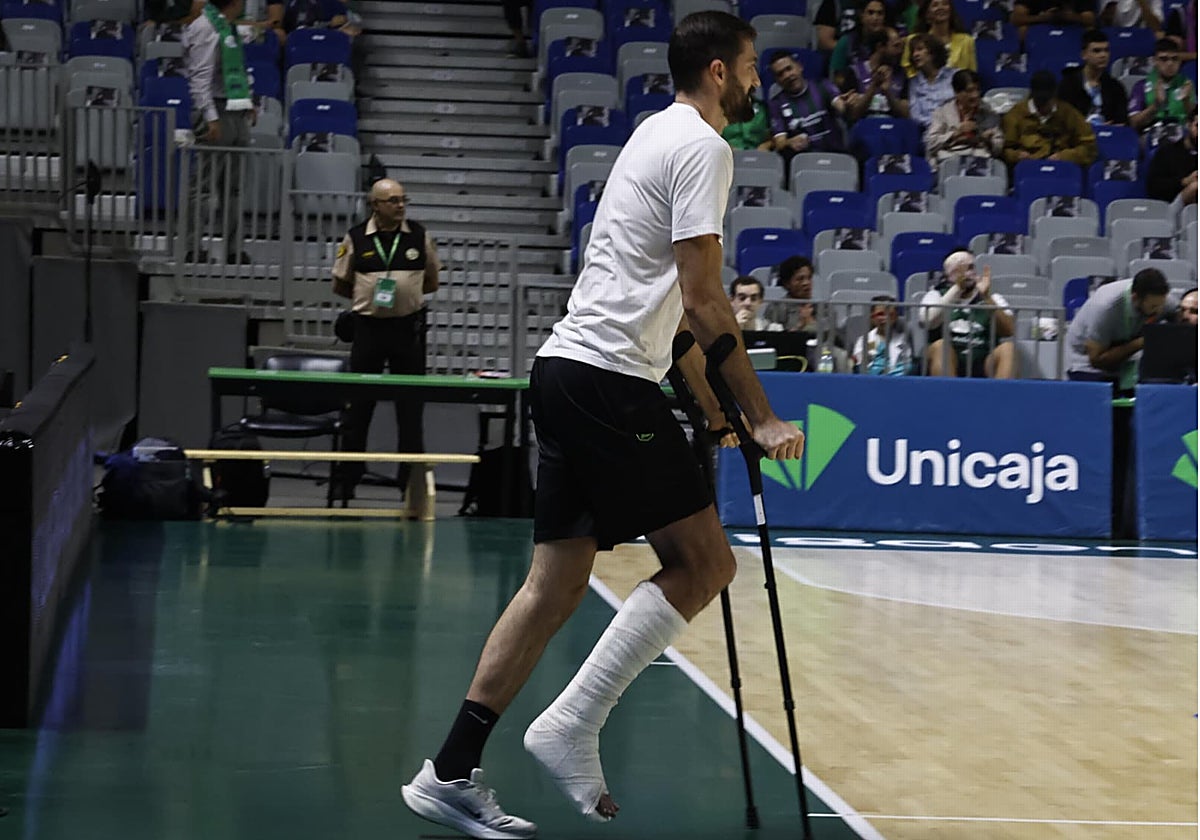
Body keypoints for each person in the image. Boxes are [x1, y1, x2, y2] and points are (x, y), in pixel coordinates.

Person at [399, 11, 805, 839]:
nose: (761, 80)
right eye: (754, 66)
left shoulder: (653, 134)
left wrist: (711, 405)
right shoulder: (705, 148)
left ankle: (447, 770)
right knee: (704, 563)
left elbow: (670, 314)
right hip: (608, 382)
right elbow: (701, 297)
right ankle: (573, 722)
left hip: (568, 372)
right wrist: (759, 416)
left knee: (554, 587)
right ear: (721, 72)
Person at [331, 179, 441, 501]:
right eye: (392, 201)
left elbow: (432, 280)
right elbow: (341, 282)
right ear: (374, 205)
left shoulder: (419, 236)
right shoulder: (355, 237)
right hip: (368, 331)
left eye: (403, 199)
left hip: (408, 331)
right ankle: (347, 481)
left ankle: (410, 485)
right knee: (358, 409)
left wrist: (404, 298)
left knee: (410, 410)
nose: (400, 205)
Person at [182, 0, 254, 263]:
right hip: (214, 109)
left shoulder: (228, 27)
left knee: (234, 187)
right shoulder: (204, 27)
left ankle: (234, 250)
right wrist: (210, 117)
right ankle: (193, 247)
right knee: (203, 186)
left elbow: (236, 69)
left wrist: (248, 100)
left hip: (235, 108)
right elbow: (199, 78)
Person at [1065, 267, 1175, 389]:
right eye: (1154, 306)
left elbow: (1180, 313)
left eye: (1162, 305)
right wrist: (1142, 342)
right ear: (1135, 298)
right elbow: (1096, 360)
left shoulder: (1161, 299)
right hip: (1086, 362)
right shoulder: (1106, 307)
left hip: (1127, 361)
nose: (1159, 310)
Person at [919, 249, 1018, 378]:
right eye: (960, 269)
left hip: (982, 360)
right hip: (946, 359)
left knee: (1008, 349)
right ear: (949, 275)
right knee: (940, 346)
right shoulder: (936, 295)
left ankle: (998, 397)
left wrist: (986, 298)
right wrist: (957, 288)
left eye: (970, 267)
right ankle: (946, 396)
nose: (967, 273)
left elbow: (1010, 330)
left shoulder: (992, 297)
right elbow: (927, 322)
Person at [765, 50, 852, 169]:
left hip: (834, 153)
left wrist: (847, 104)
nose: (787, 76)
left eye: (789, 69)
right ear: (777, 80)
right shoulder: (776, 104)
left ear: (799, 67)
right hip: (804, 161)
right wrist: (790, 142)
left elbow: (841, 107)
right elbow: (780, 143)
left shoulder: (823, 87)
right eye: (780, 74)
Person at [1001, 70, 1098, 166]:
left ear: (1054, 95)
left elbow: (1089, 147)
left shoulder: (1069, 113)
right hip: (1028, 167)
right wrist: (1016, 155)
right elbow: (1003, 149)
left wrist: (1065, 156)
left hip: (1061, 168)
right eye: (1039, 101)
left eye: (1046, 101)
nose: (1043, 106)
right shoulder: (1015, 114)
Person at [925, 69, 1002, 171]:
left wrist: (985, 140)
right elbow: (931, 144)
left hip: (980, 162)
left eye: (978, 90)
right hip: (949, 161)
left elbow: (998, 148)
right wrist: (955, 134)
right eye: (969, 91)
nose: (975, 95)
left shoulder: (989, 113)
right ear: (957, 93)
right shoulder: (942, 112)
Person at [1058, 30, 1131, 127]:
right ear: (1084, 55)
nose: (1103, 55)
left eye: (1106, 50)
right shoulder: (1068, 84)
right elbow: (1062, 120)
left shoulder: (1116, 87)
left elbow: (1122, 122)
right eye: (1097, 51)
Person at [1129, 39, 1197, 134]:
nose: (1170, 63)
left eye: (1174, 59)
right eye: (1164, 59)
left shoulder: (1187, 84)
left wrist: (1186, 102)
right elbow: (1133, 122)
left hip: (1181, 135)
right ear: (1154, 61)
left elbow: (1195, 123)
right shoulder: (1141, 86)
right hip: (1151, 134)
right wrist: (1156, 105)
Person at [845, 27, 910, 121]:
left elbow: (906, 115)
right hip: (865, 131)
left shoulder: (902, 74)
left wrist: (887, 92)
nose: (900, 52)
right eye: (896, 46)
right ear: (880, 47)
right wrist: (873, 87)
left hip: (894, 131)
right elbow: (852, 115)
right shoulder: (855, 72)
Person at [900, 0, 975, 78]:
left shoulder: (966, 41)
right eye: (935, 5)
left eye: (945, 4)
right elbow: (908, 72)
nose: (941, 8)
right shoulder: (912, 40)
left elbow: (971, 75)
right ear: (927, 13)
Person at [851, 294, 914, 374]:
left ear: (896, 317)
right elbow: (860, 364)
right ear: (872, 317)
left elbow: (906, 363)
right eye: (880, 314)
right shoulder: (865, 340)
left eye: (890, 314)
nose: (885, 318)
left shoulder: (903, 339)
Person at [829, 0, 889, 83]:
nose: (875, 18)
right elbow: (838, 78)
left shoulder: (888, 41)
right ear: (862, 16)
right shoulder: (846, 42)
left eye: (880, 13)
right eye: (870, 13)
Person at [907, 33, 956, 130]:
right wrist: (937, 126)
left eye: (920, 49)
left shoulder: (954, 76)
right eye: (913, 51)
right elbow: (916, 116)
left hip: (955, 128)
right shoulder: (914, 83)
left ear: (933, 52)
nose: (915, 54)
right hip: (929, 133)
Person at [766, 254, 820, 332]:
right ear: (787, 283)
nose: (806, 283)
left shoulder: (823, 307)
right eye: (800, 279)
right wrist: (800, 326)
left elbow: (830, 337)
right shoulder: (775, 308)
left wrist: (810, 321)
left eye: (809, 278)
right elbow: (773, 337)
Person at [1010, 0, 1095, 30]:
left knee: (1090, 29)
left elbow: (1090, 19)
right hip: (1040, 34)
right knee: (1022, 28)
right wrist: (1043, 18)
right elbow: (1016, 18)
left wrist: (1069, 16)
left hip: (1072, 32)